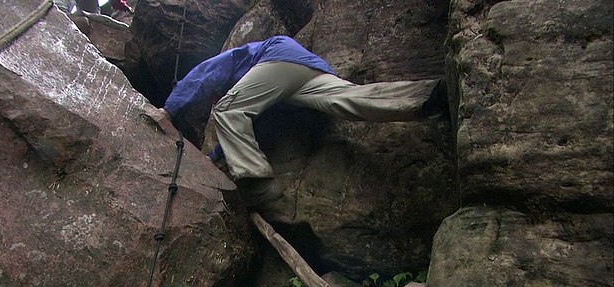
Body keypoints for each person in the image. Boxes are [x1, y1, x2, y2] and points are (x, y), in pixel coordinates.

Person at [145, 35, 448, 209]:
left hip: (276, 57)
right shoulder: (257, 95)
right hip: (307, 68)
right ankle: (428, 96)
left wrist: (169, 109)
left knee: (226, 110)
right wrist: (215, 159)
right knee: (348, 100)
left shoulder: (235, 61)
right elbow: (243, 130)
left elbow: (203, 75)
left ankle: (257, 182)